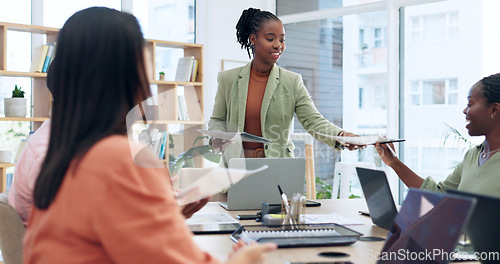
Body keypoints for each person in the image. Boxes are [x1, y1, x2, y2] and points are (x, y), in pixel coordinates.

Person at [23, 7, 276, 264]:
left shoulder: (64, 156)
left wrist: (164, 213)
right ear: (127, 76)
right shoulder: (118, 157)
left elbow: (117, 242)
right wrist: (244, 260)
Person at [208, 8, 359, 163]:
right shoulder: (228, 79)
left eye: (282, 39)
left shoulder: (292, 81)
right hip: (235, 167)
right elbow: (217, 119)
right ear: (253, 39)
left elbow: (312, 120)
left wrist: (340, 135)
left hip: (277, 167)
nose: (278, 45)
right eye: (270, 38)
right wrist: (217, 136)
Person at [376, 73, 500, 198]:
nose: (464, 110)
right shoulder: (472, 155)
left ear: (494, 110)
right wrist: (393, 162)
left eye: (470, 104)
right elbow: (439, 196)